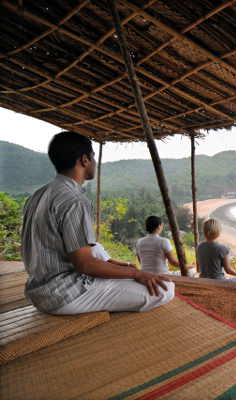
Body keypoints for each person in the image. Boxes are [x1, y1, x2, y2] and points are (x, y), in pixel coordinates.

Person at [21, 131, 174, 315]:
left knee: (131, 278)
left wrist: (122, 270)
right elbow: (85, 265)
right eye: (93, 156)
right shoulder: (74, 200)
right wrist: (137, 273)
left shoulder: (37, 196)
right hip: (66, 294)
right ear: (84, 160)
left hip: (38, 291)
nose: (94, 161)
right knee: (165, 288)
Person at [196, 218, 236, 284]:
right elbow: (228, 271)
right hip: (218, 282)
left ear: (204, 231)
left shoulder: (199, 247)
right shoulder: (222, 248)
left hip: (203, 280)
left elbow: (200, 267)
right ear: (218, 232)